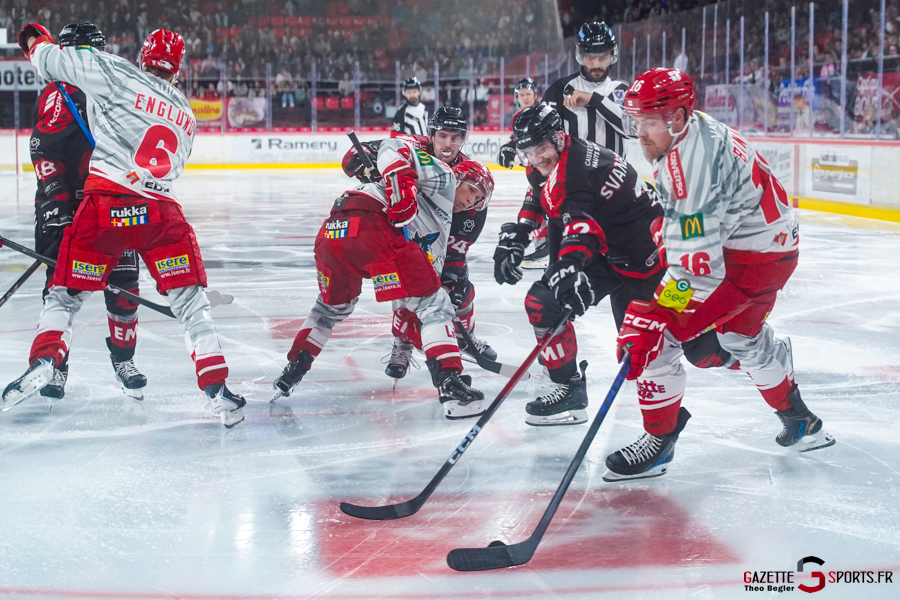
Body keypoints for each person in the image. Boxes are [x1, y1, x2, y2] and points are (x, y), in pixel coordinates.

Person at [4, 25, 246, 428]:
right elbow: (171, 165)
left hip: (104, 207)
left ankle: (46, 359)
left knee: (64, 294)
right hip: (159, 213)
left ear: (142, 57)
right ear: (178, 69)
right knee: (192, 304)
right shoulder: (187, 114)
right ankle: (217, 388)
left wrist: (33, 39)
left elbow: (48, 60)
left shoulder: (116, 72)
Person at [607, 68, 835, 481]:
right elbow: (701, 229)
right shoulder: (696, 130)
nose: (640, 133)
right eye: (636, 121)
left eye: (649, 121)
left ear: (677, 117)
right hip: (772, 250)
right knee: (740, 338)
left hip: (747, 261)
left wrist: (657, 313)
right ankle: (801, 420)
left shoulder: (689, 166)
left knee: (656, 336)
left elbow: (698, 272)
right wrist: (673, 234)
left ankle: (659, 440)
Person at [272, 137, 493, 420]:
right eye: (471, 189)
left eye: (477, 199)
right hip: (372, 225)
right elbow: (392, 147)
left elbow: (415, 293)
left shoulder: (439, 224)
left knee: (331, 308)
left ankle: (293, 371)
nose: (470, 201)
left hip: (334, 231)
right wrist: (401, 185)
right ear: (460, 177)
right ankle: (451, 385)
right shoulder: (445, 177)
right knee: (436, 305)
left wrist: (417, 333)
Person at [493, 105, 664, 426]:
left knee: (662, 354)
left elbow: (581, 229)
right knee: (544, 302)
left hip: (646, 258)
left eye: (541, 149)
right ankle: (569, 389)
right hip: (609, 250)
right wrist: (520, 235)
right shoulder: (550, 158)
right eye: (528, 152)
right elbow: (538, 191)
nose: (536, 158)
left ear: (559, 138)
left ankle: (752, 350)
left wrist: (569, 265)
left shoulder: (576, 173)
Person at [28, 23, 147, 401]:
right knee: (62, 287)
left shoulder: (117, 89)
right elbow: (43, 151)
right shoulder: (58, 92)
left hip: (112, 201)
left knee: (125, 285)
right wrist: (58, 203)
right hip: (68, 204)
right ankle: (55, 365)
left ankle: (124, 360)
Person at [340, 107, 497, 379]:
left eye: (455, 138)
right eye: (443, 136)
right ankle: (401, 345)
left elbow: (456, 250)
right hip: (401, 225)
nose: (448, 144)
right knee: (404, 287)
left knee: (459, 285)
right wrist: (366, 164)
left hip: (434, 235)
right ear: (431, 135)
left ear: (463, 140)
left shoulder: (470, 179)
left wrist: (450, 278)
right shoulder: (411, 145)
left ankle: (465, 337)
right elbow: (352, 158)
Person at [542, 22, 630, 156]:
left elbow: (631, 129)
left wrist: (593, 99)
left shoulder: (622, 90)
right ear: (581, 56)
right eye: (590, 57)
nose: (596, 64)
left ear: (612, 56)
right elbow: (542, 136)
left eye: (603, 57)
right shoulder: (559, 90)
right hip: (573, 170)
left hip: (616, 169)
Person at [496, 77, 549, 269]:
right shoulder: (517, 117)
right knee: (534, 209)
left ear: (535, 94)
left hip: (548, 169)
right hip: (535, 172)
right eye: (521, 95)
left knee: (541, 206)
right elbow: (517, 140)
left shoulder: (545, 113)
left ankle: (549, 248)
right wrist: (509, 147)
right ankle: (544, 247)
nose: (525, 97)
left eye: (528, 93)